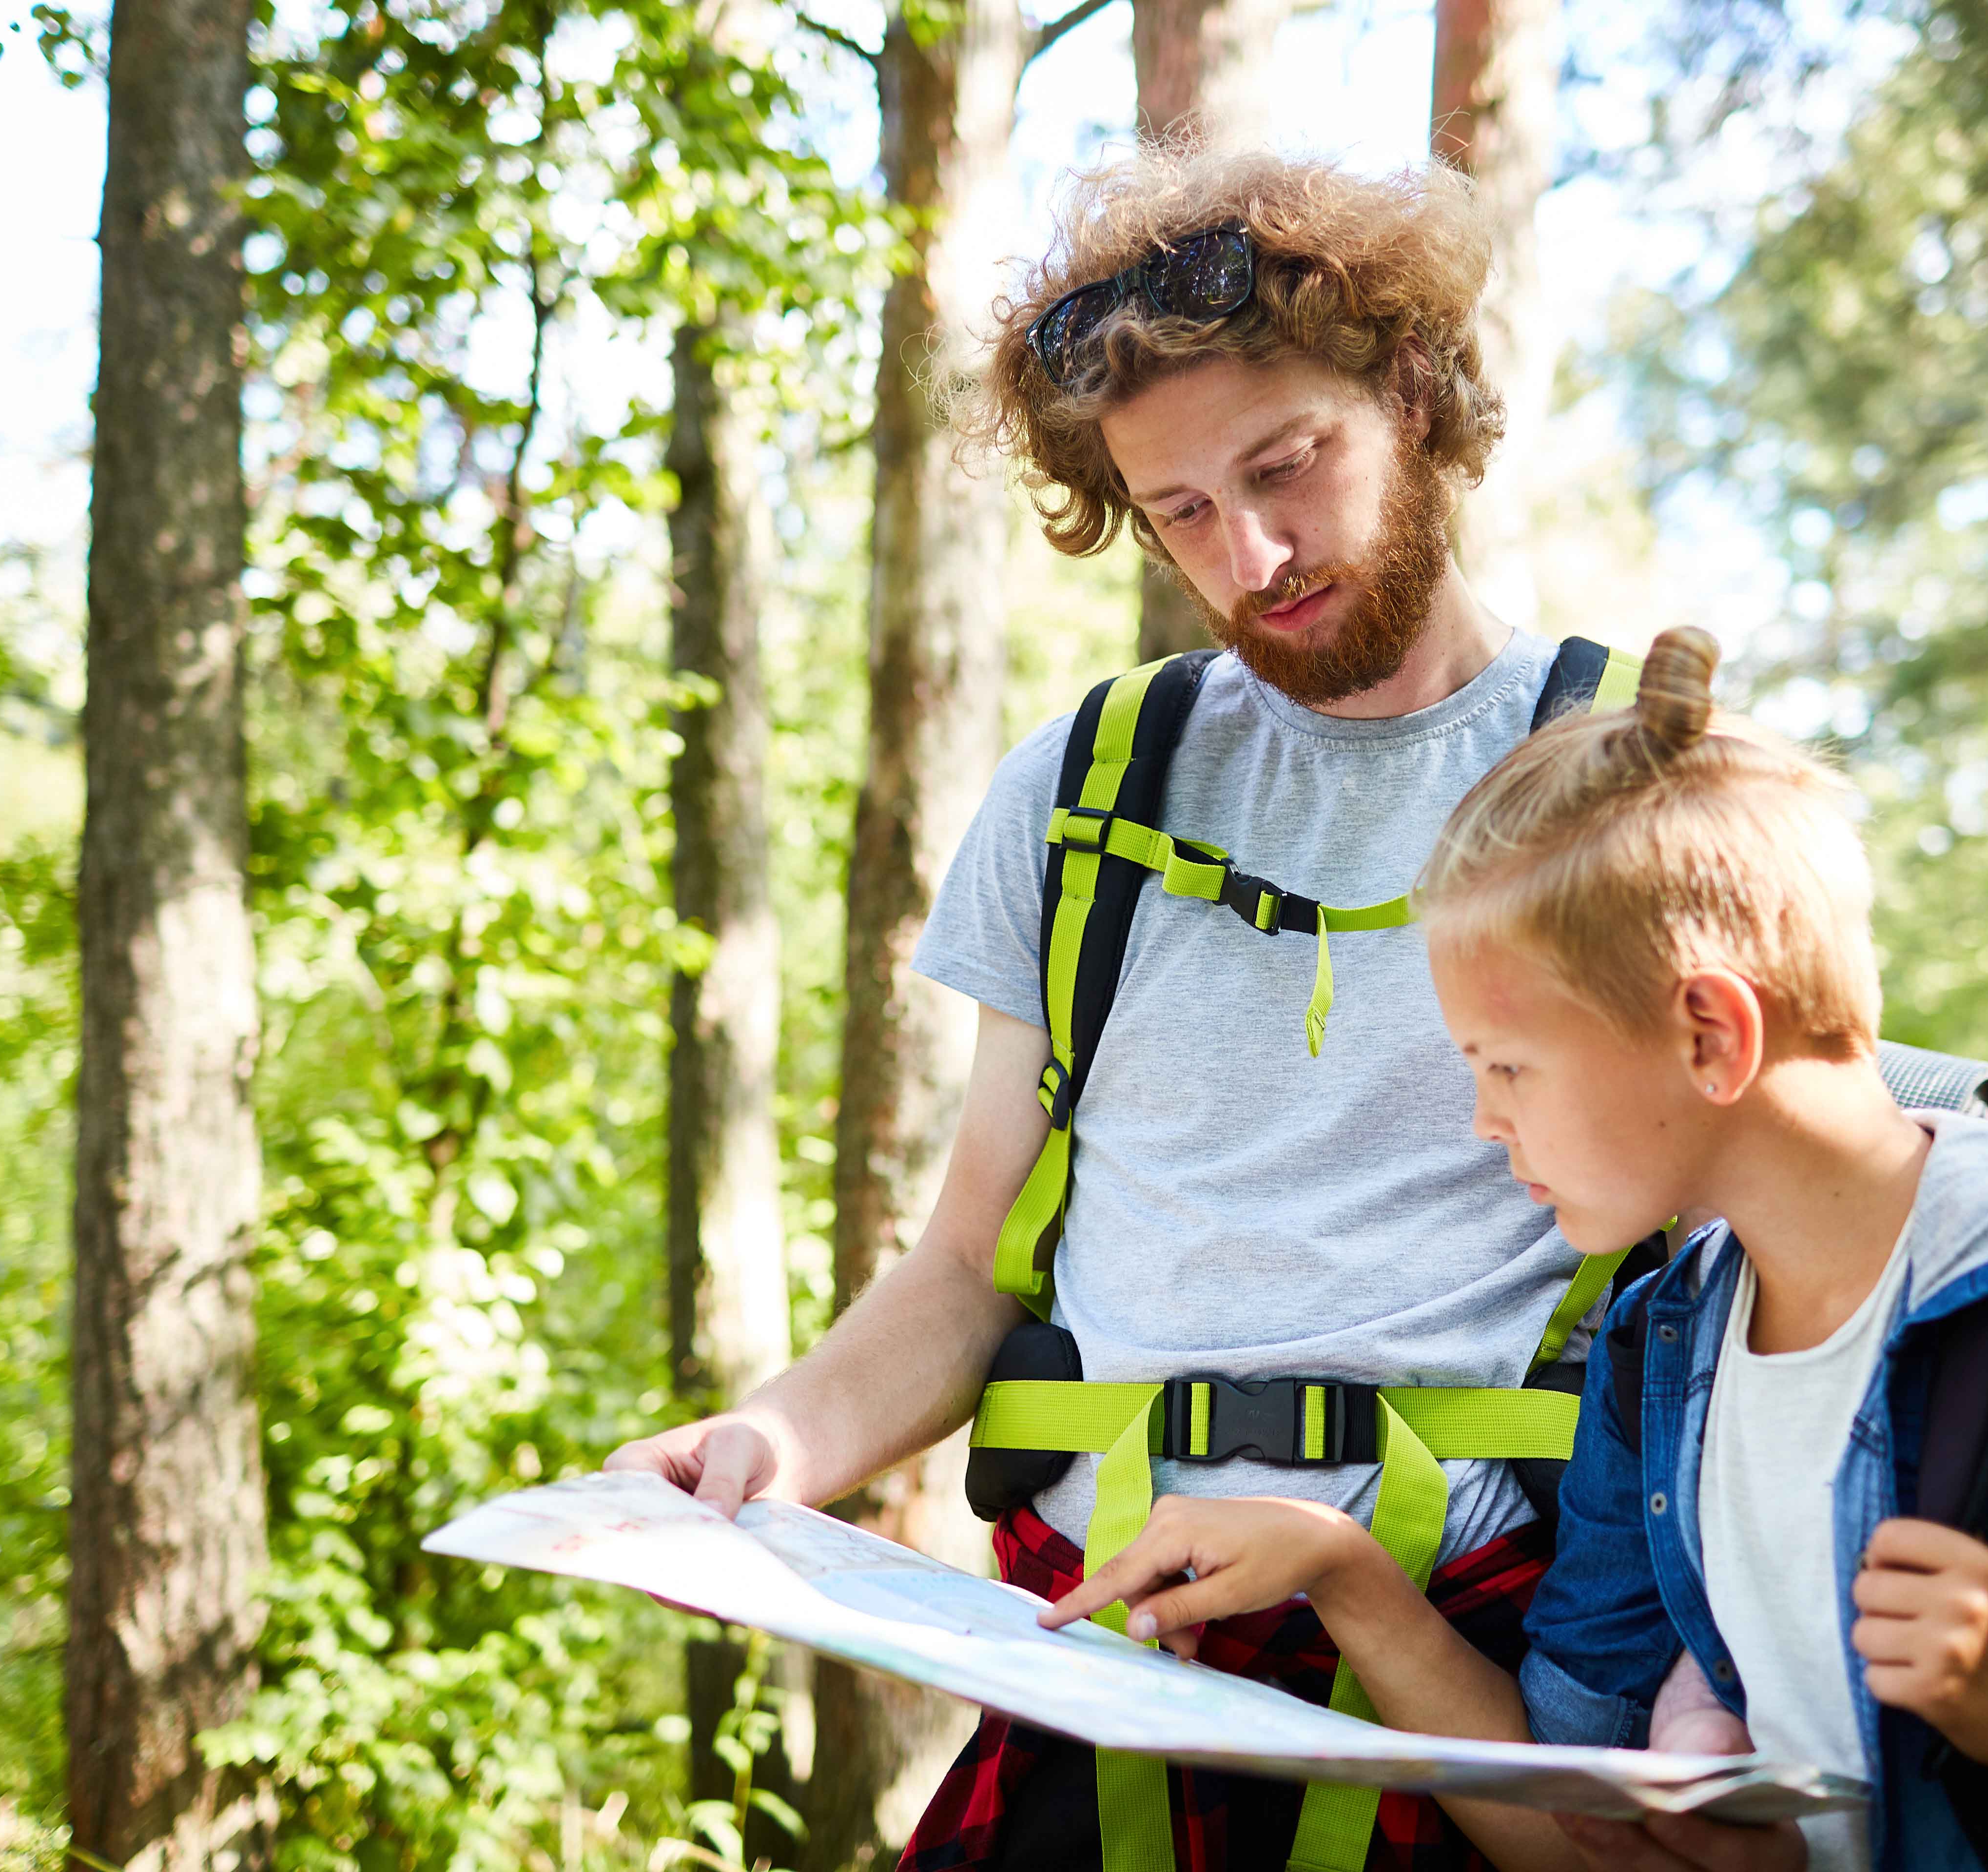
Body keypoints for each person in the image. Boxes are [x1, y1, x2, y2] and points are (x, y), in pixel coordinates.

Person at [606, 147, 1905, 1871]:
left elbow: (1792, 1225)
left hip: (1482, 1678)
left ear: (1415, 387)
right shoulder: (1086, 788)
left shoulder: (1626, 784)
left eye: (1288, 467)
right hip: (1099, 1661)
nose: (1255, 553)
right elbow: (966, 1268)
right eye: (1182, 512)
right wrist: (771, 1442)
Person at [1042, 626, 1988, 1872]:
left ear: (1709, 1032)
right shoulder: (1666, 1346)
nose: (1483, 1123)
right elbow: (1574, 1831)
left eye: (1507, 1066)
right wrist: (1346, 1572)